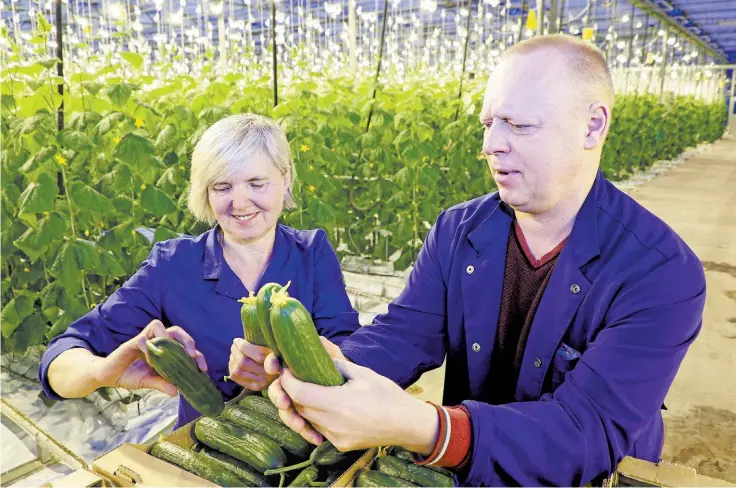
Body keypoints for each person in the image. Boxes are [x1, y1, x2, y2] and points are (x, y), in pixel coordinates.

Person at [265, 35, 706, 486]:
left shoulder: (661, 271)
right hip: (474, 459)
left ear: (592, 126)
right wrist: (329, 367)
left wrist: (428, 428)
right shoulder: (458, 230)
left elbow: (586, 432)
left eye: (519, 125)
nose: (492, 144)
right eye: (489, 123)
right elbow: (404, 333)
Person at [39, 113, 360, 428]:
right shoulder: (172, 265)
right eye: (222, 187)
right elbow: (62, 354)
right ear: (204, 191)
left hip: (310, 434)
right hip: (205, 447)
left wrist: (286, 369)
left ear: (286, 178)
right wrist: (101, 372)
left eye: (257, 183)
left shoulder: (312, 252)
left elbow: (347, 352)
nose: (241, 202)